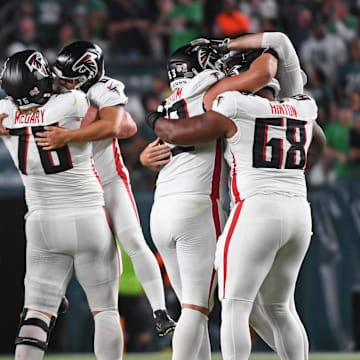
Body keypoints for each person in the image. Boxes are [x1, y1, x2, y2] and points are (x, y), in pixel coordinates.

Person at [146, 68, 325, 360]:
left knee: (234, 305)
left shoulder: (236, 105)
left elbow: (178, 133)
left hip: (255, 209)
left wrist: (153, 117)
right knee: (282, 307)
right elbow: (319, 143)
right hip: (299, 212)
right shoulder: (303, 107)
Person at [140, 42, 279, 360]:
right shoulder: (209, 86)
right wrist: (271, 46)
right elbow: (259, 76)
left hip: (161, 209)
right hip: (198, 204)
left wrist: (147, 157)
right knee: (196, 306)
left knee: (195, 308)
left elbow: (160, 149)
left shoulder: (168, 102)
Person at [35, 40, 176, 335]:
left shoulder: (106, 88)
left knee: (134, 240)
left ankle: (160, 310)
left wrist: (67, 135)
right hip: (76, 185)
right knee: (66, 244)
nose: (63, 83)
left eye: (70, 78)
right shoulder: (56, 90)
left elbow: (119, 127)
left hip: (109, 179)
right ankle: (54, 297)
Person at [0, 49, 123, 360]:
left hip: (41, 225)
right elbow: (111, 120)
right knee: (105, 310)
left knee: (35, 316)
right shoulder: (73, 103)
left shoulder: (6, 112)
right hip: (87, 216)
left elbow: (11, 115)